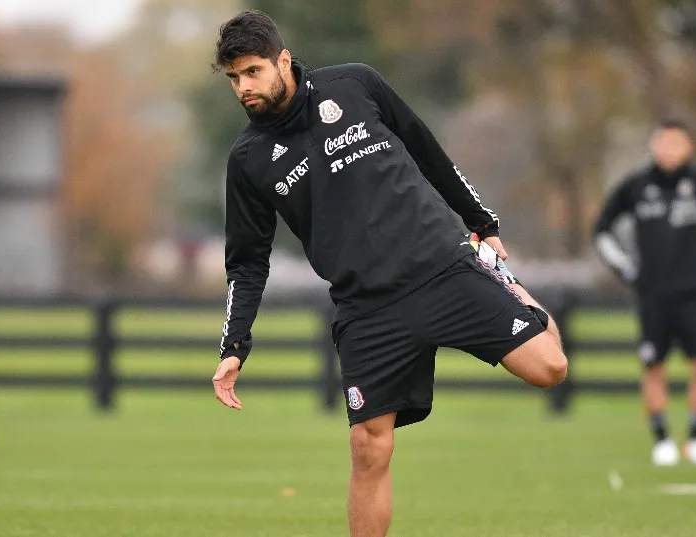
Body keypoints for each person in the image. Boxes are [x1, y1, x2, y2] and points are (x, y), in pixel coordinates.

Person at [210, 10, 568, 537]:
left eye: (253, 72)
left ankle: (503, 282)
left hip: (442, 267)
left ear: (283, 61)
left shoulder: (355, 84)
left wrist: (481, 222)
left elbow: (425, 148)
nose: (245, 87)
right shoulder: (249, 160)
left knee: (550, 368)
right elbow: (246, 261)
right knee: (368, 447)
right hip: (368, 308)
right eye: (235, 78)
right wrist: (234, 346)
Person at [594, 119, 696, 467]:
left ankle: (695, 439)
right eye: (663, 142)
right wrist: (626, 269)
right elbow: (602, 229)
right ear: (653, 145)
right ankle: (662, 439)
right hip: (653, 296)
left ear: (689, 147)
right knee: (653, 367)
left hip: (694, 294)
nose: (669, 149)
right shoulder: (635, 187)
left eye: (676, 143)